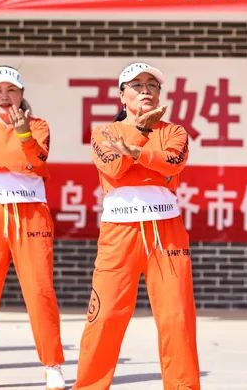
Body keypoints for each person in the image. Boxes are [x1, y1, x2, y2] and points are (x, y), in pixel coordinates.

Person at [74, 62, 200, 390]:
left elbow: (173, 163)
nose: (145, 90)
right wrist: (140, 134)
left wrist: (137, 154)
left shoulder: (174, 132)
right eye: (137, 85)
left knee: (176, 317)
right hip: (119, 232)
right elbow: (114, 168)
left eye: (152, 85)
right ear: (122, 96)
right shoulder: (104, 133)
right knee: (105, 316)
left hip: (166, 232)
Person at [0, 66, 65, 390]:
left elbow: (37, 162)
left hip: (30, 213)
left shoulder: (38, 125)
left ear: (21, 94)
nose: (5, 97)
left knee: (39, 290)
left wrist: (23, 134)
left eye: (11, 90)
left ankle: (52, 365)